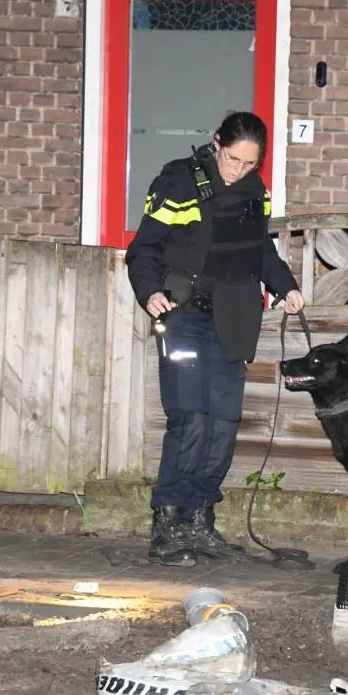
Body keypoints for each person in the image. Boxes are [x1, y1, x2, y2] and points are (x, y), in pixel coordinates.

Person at [125, 111, 305, 568]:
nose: (237, 170)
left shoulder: (253, 192)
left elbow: (259, 250)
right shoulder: (178, 183)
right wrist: (151, 293)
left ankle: (200, 520)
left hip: (233, 316)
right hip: (183, 316)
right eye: (231, 159)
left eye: (249, 164)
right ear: (216, 143)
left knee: (223, 423)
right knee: (192, 419)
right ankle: (169, 521)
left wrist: (286, 286)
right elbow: (142, 249)